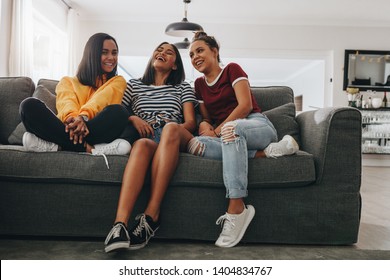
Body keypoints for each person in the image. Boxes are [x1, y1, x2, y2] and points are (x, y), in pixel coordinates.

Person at [187, 31, 299, 248]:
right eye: (191, 54)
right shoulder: (199, 85)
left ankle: (237, 207)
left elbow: (244, 106)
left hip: (256, 125)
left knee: (231, 129)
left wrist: (218, 131)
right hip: (231, 137)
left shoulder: (232, 69)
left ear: (214, 51)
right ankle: (267, 153)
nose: (195, 57)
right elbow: (206, 117)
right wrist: (203, 124)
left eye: (200, 50)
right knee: (195, 145)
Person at [104, 42, 197, 253]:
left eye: (169, 52)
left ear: (175, 65)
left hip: (175, 134)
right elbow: (120, 112)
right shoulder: (134, 85)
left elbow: (190, 122)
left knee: (171, 129)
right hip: (147, 135)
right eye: (159, 49)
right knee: (141, 145)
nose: (161, 52)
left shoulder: (182, 86)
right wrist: (134, 118)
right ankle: (119, 225)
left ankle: (152, 214)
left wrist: (169, 132)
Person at [20, 32, 131, 157]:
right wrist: (74, 118)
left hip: (95, 128)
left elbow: (102, 99)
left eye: (114, 53)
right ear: (92, 54)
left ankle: (58, 145)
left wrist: (83, 117)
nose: (111, 57)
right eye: (104, 52)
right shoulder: (67, 81)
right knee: (28, 105)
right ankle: (89, 148)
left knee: (119, 112)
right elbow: (66, 102)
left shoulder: (118, 81)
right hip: (70, 126)